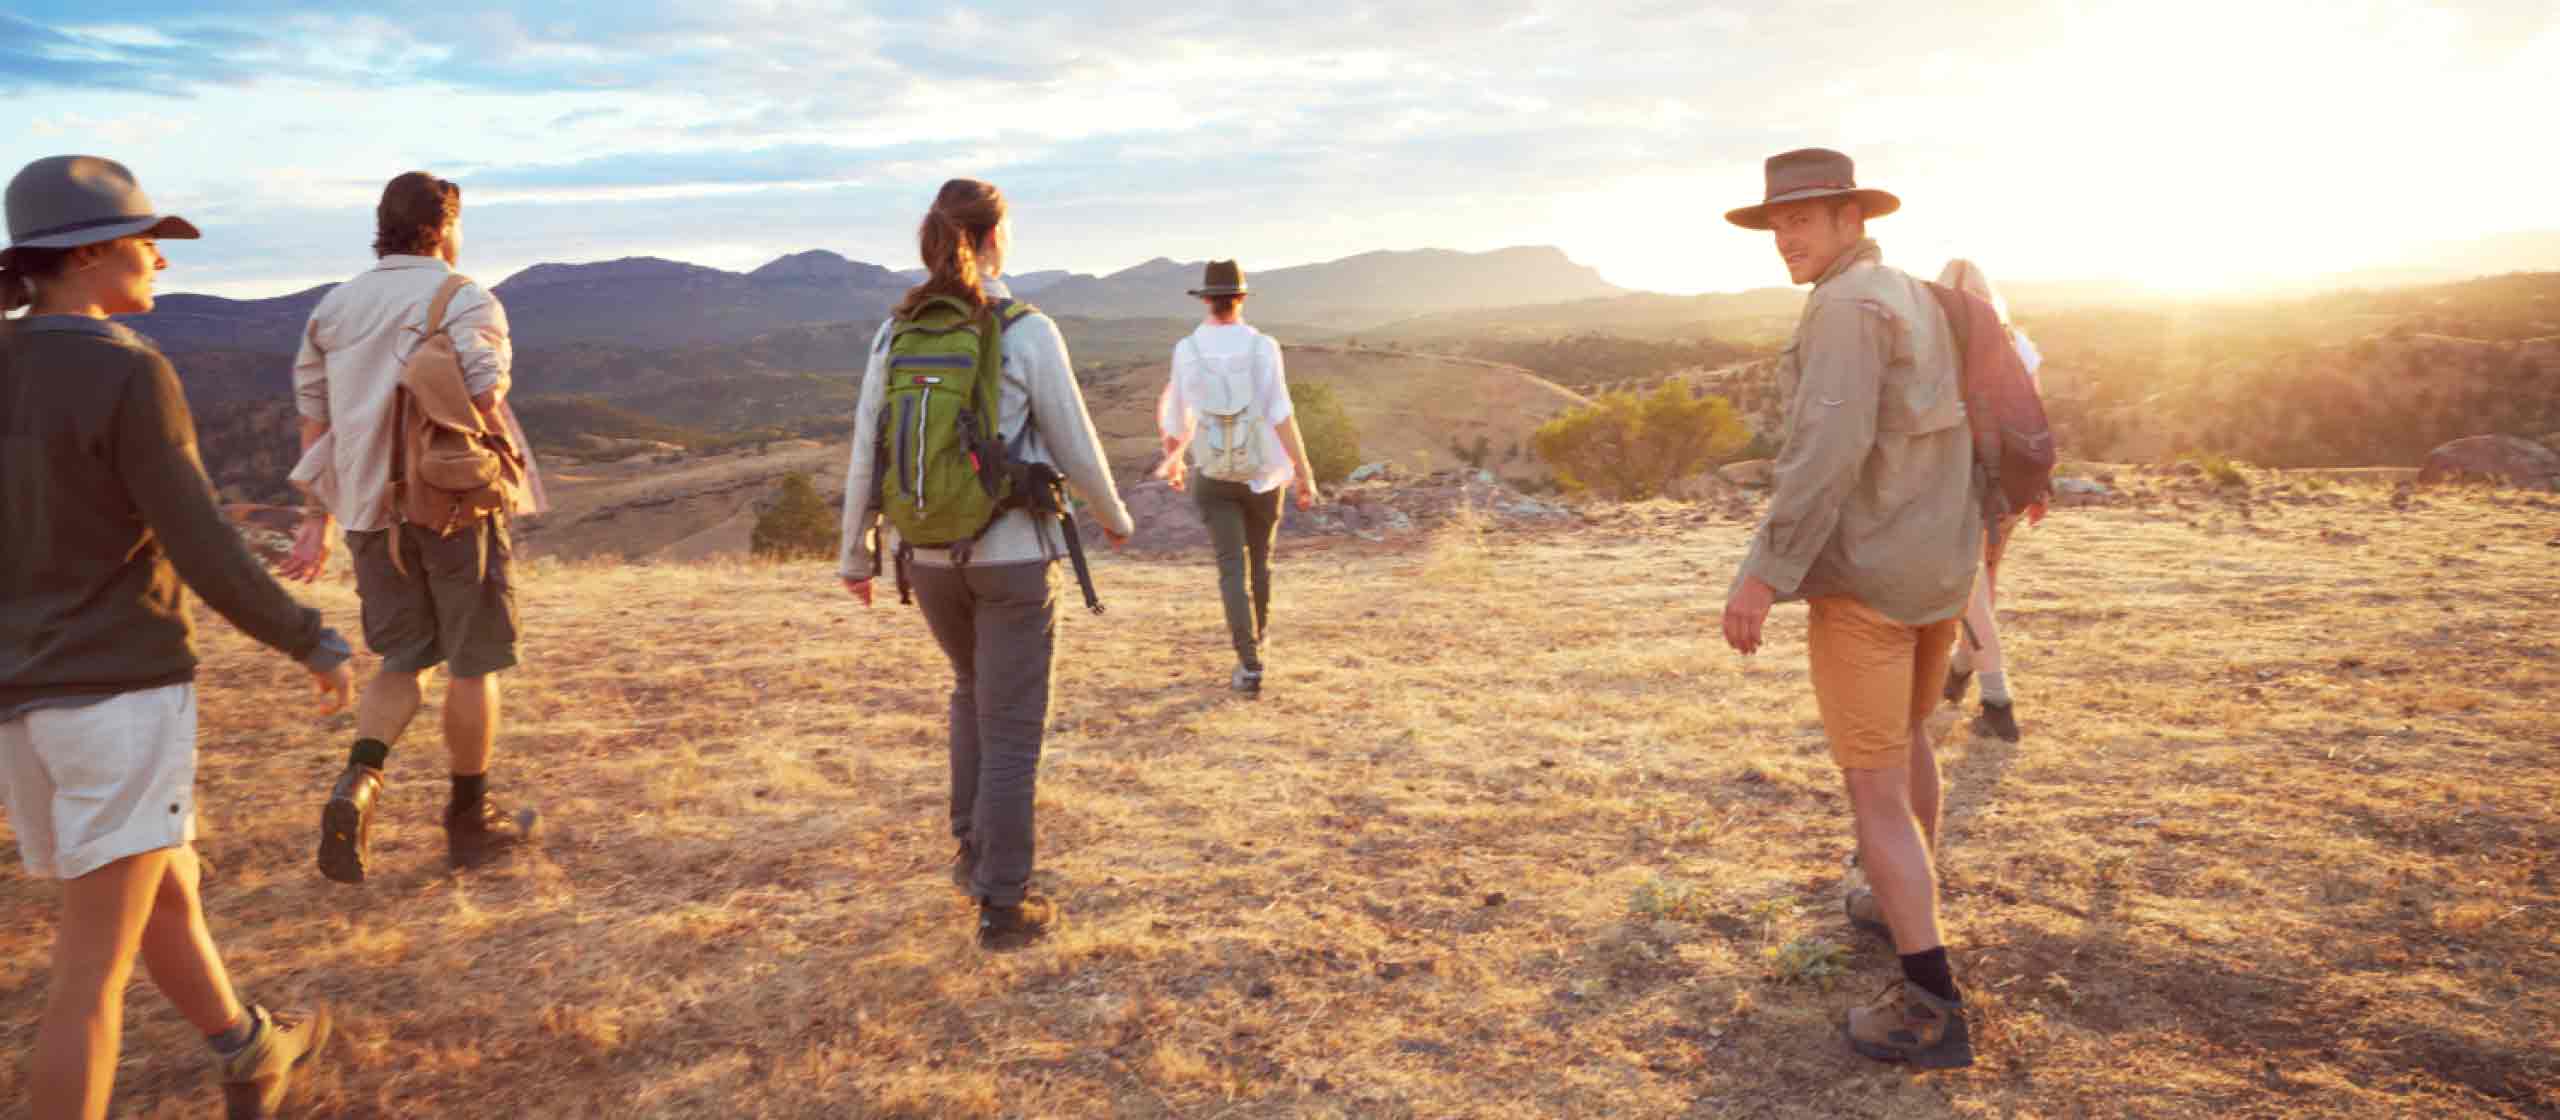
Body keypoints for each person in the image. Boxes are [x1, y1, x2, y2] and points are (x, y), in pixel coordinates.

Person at [2, 155, 348, 1119]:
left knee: (163, 882)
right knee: (87, 980)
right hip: (116, 695)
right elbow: (199, 539)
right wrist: (307, 637)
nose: (159, 257)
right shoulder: (128, 369)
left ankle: (248, 1047)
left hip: (23, 707)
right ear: (88, 254)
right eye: (145, 240)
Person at [1719, 148, 1982, 1069]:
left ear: (1851, 219)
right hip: (1936, 570)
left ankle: (1930, 1007)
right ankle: (1895, 900)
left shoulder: (1842, 307)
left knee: (1872, 786)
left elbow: (1824, 453)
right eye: (1776, 222)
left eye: (1804, 219)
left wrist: (1763, 572)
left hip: (1869, 580)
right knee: (1908, 738)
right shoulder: (1912, 294)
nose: (1785, 237)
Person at [836, 179, 1136, 950]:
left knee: (971, 691)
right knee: (1011, 726)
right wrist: (1114, 518)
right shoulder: (1028, 330)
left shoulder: (895, 332)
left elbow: (868, 445)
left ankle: (973, 853)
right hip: (1011, 557)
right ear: (997, 237)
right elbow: (1075, 441)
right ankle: (1004, 903)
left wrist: (855, 553)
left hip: (925, 560)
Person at [279, 172, 540, 884]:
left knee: (402, 660)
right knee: (473, 662)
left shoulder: (333, 308)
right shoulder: (464, 297)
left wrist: (316, 518)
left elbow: (314, 419)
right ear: (445, 225)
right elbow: (485, 392)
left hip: (368, 513)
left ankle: (358, 782)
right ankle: (469, 820)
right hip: (451, 506)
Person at [1154, 260, 1322, 696]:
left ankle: (1248, 665)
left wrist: (1174, 462)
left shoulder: (1186, 350)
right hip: (1262, 473)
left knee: (1231, 567)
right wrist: (1303, 473)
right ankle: (1258, 642)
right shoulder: (1264, 347)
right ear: (1242, 299)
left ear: (1206, 300)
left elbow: (1175, 418)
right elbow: (1282, 414)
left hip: (1213, 475)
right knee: (1260, 561)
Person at [1935, 258, 2048, 742]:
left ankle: (1998, 702)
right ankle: (1959, 670)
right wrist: (2040, 483)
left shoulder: (1939, 341)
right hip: (2012, 482)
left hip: (1961, 481)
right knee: (1985, 582)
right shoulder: (2017, 342)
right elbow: (2036, 414)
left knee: (1971, 589)